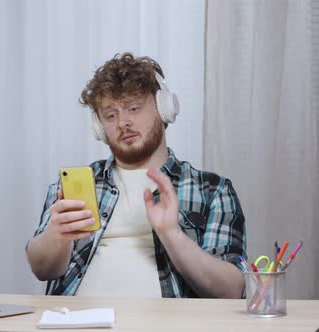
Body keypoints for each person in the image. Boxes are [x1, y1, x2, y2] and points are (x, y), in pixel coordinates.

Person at [26, 53, 246, 298]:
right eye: (110, 115)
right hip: (76, 323)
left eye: (134, 108)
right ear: (99, 127)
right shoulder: (75, 186)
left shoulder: (212, 190)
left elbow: (231, 291)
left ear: (164, 108)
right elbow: (41, 269)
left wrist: (172, 235)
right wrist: (57, 234)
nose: (123, 123)